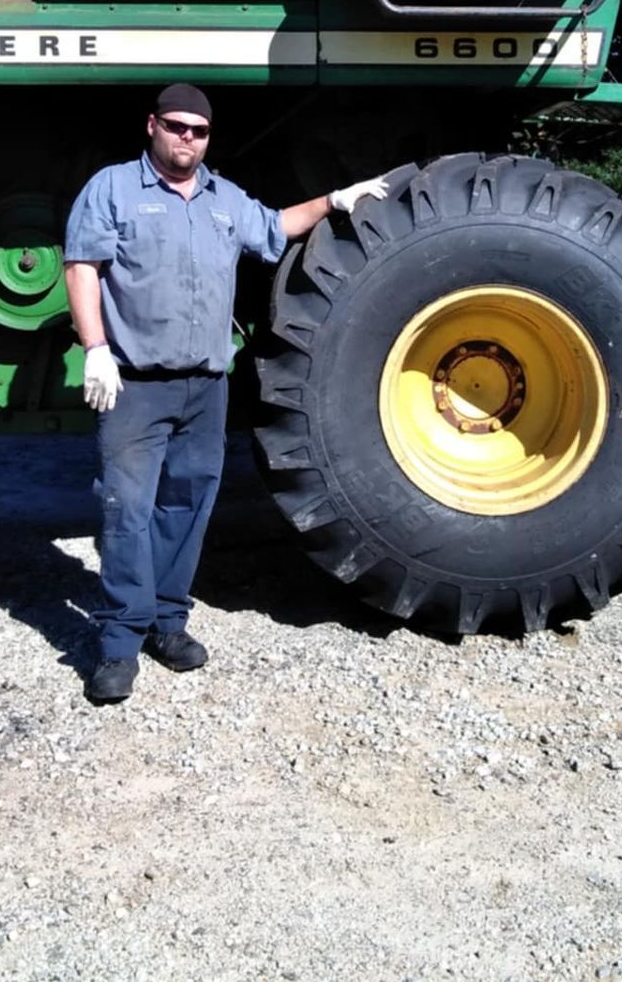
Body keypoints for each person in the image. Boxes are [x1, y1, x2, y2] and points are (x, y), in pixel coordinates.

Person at [63, 83, 388, 704]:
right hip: (136, 384)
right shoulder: (113, 188)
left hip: (205, 386)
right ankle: (119, 642)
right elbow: (82, 266)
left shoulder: (223, 199)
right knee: (126, 512)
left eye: (200, 130)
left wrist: (334, 199)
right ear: (152, 126)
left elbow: (274, 229)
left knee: (187, 509)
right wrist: (95, 348)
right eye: (178, 127)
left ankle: (167, 623)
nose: (188, 138)